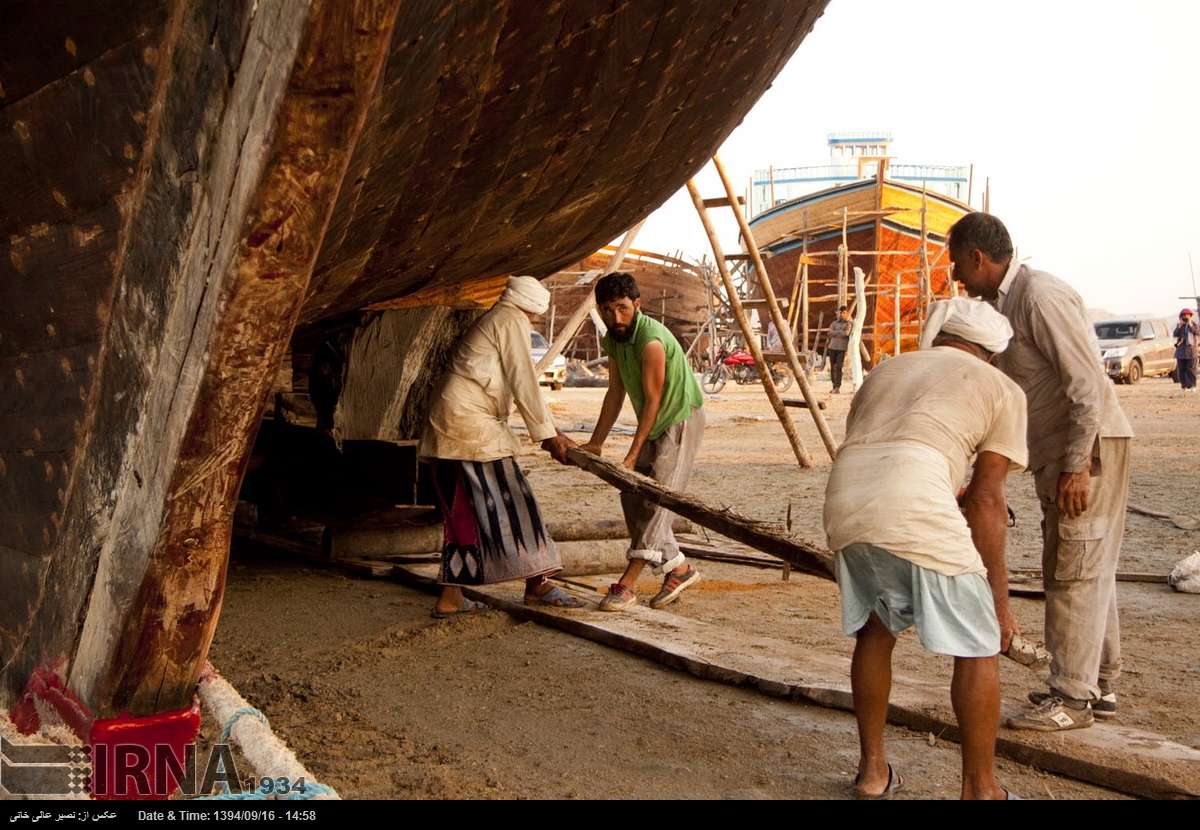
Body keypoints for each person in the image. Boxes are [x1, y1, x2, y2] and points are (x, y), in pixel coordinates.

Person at [824, 296, 1027, 800]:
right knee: (978, 647)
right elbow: (986, 501)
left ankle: (873, 773)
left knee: (875, 630)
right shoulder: (1000, 386)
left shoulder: (887, 369)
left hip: (847, 500)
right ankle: (982, 790)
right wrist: (1000, 606)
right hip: (911, 501)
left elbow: (889, 445)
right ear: (991, 353)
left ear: (942, 339)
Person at [948, 212, 1133, 731]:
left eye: (958, 263)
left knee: (1073, 567)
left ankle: (1072, 697)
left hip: (1085, 449)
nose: (957, 276)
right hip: (1059, 450)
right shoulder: (1004, 306)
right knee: (1088, 562)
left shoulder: (1039, 296)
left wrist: (1078, 466)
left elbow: (1086, 384)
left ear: (978, 257)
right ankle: (1099, 682)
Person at [418, 276, 586, 617]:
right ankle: (537, 584)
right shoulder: (510, 320)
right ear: (534, 308)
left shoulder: (498, 317)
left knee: (463, 512)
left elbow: (517, 385)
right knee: (513, 502)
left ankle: (454, 596)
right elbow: (524, 380)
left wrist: (552, 430)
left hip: (456, 423)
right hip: (467, 426)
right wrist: (549, 437)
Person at [580, 273, 706, 611]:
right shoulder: (613, 340)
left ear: (637, 304)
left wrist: (632, 455)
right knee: (633, 496)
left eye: (622, 309)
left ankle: (627, 584)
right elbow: (615, 392)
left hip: (680, 419)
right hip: (653, 423)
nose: (615, 319)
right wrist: (596, 443)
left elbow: (652, 401)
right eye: (607, 310)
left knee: (656, 502)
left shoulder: (650, 340)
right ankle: (679, 568)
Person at [826, 306, 852, 393]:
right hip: (832, 347)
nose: (842, 315)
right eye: (840, 313)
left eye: (844, 313)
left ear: (847, 313)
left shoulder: (849, 324)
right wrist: (840, 332)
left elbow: (847, 333)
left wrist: (835, 333)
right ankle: (833, 386)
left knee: (839, 367)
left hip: (842, 348)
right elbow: (829, 333)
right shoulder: (834, 323)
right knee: (832, 367)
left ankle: (838, 387)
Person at [1173, 308, 1199, 392]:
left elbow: (1197, 332)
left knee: (1191, 369)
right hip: (1181, 351)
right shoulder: (1179, 325)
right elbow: (1175, 334)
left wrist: (1191, 325)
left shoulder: (1194, 325)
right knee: (1182, 369)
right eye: (1184, 316)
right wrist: (1180, 326)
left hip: (1192, 351)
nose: (1186, 317)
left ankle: (1192, 385)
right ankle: (1183, 385)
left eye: (1188, 315)